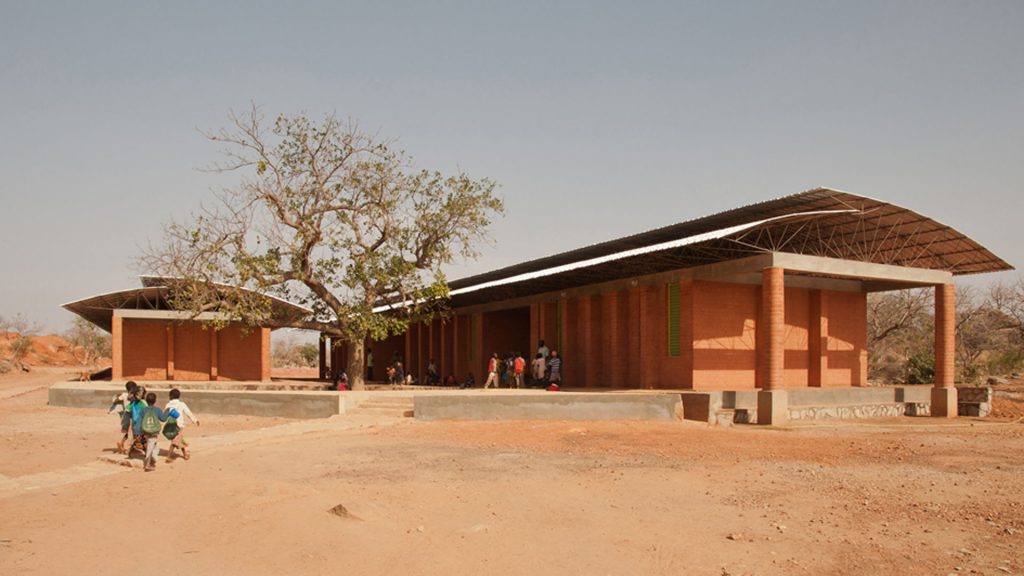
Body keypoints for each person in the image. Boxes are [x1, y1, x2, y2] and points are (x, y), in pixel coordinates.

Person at [164, 388, 200, 462]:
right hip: (179, 425)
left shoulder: (168, 404)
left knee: (178, 439)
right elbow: (188, 413)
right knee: (175, 441)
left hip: (171, 425)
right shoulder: (182, 404)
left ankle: (185, 455)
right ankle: (169, 456)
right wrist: (195, 420)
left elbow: (164, 415)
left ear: (170, 396)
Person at [139, 392, 171, 471]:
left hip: (145, 431)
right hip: (154, 431)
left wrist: (139, 431)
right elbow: (163, 419)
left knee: (154, 446)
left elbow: (140, 421)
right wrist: (167, 412)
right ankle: (148, 464)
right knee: (150, 446)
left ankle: (153, 459)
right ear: (155, 401)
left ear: (146, 400)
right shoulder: (157, 410)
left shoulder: (143, 410)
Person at [111, 381, 137, 454]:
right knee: (132, 431)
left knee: (128, 431)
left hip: (125, 414)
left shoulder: (124, 395)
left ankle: (122, 442)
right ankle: (128, 445)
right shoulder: (133, 396)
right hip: (132, 415)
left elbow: (115, 400)